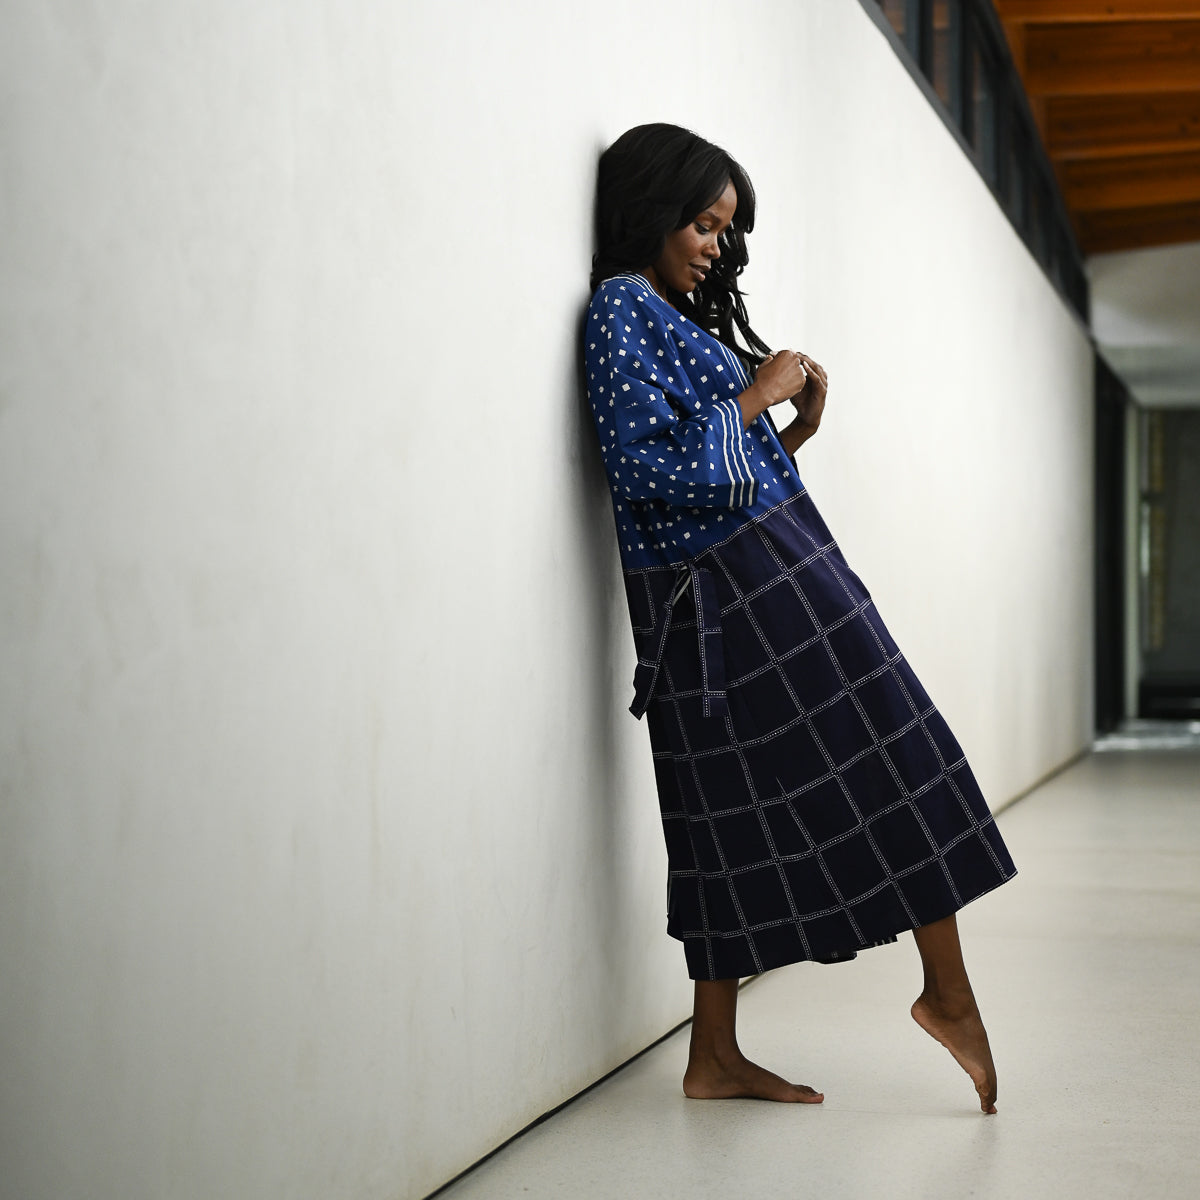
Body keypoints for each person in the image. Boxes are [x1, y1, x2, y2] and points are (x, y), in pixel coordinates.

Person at [583, 123, 1016, 1114]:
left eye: (726, 231)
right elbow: (646, 471)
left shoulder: (658, 313)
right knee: (860, 759)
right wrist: (757, 392)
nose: (714, 249)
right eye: (702, 224)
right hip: (724, 597)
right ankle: (937, 996)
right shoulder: (619, 310)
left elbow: (710, 477)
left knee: (770, 789)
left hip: (763, 573)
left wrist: (791, 425)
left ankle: (721, 1053)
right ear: (650, 211)